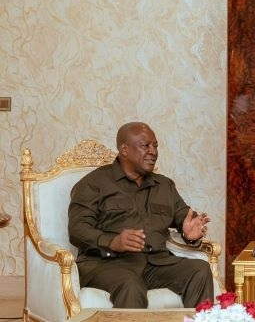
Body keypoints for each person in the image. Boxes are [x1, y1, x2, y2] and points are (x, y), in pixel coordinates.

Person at [68, 122, 214, 308]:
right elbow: (77, 229)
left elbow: (184, 218)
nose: (153, 151)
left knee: (199, 270)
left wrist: (189, 233)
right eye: (146, 146)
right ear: (124, 149)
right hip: (107, 264)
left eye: (155, 145)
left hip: (156, 263)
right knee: (131, 284)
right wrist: (112, 242)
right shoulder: (93, 184)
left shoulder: (164, 185)